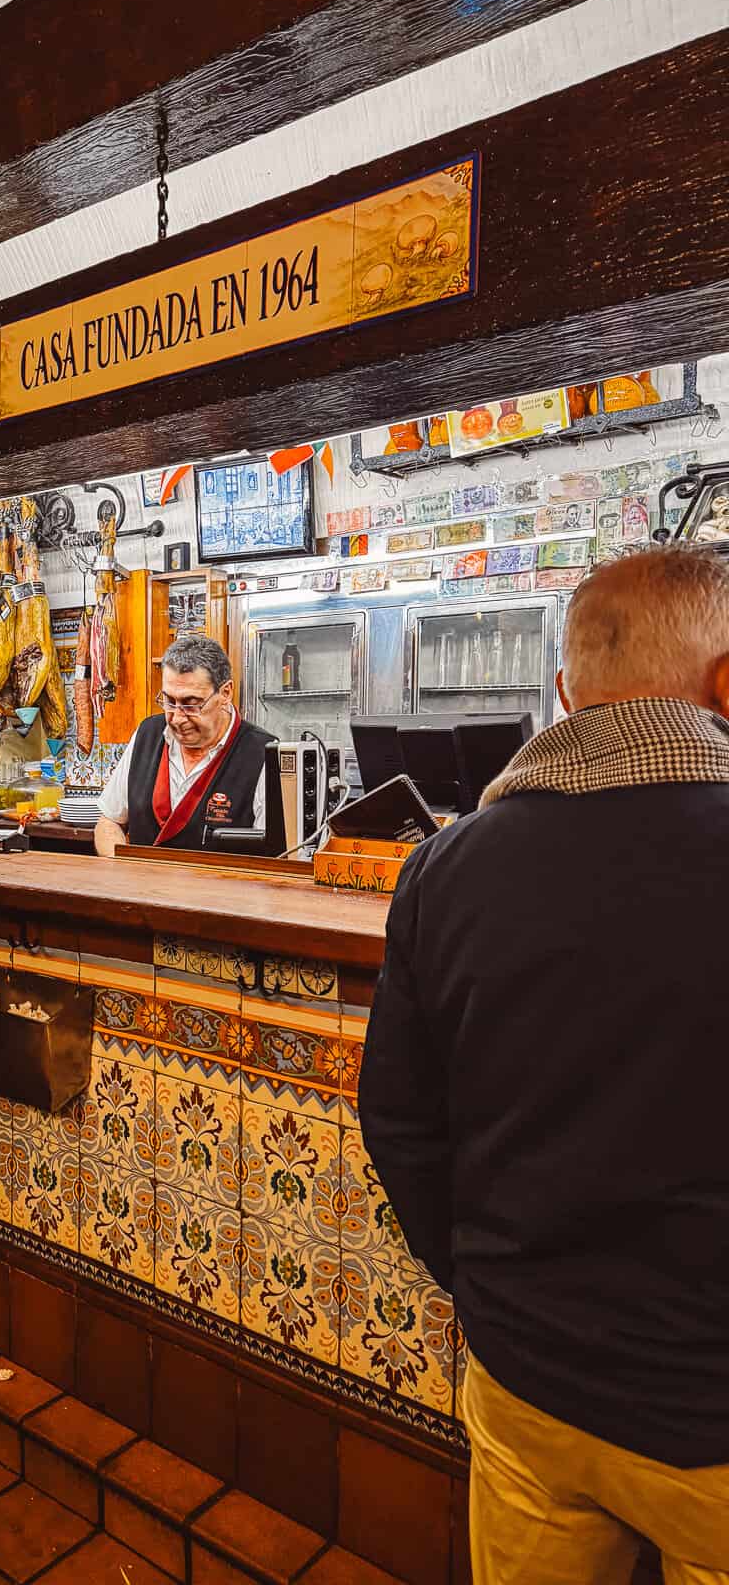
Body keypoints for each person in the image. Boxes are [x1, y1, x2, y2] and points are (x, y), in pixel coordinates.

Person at [360, 546, 729, 1584]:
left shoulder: (447, 866)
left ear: (565, 693)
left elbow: (397, 1120)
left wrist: (483, 1285)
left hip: (526, 1383)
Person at [94, 635, 275, 856]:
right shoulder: (147, 734)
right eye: (169, 701)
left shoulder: (262, 754)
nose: (177, 718)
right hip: (140, 889)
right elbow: (109, 823)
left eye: (191, 704)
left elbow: (274, 859)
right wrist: (122, 868)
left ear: (225, 693)